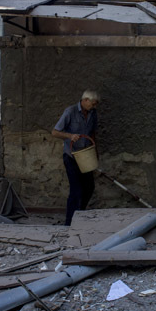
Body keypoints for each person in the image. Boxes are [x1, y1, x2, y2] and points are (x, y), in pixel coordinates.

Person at [52, 89, 100, 226]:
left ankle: (80, 214)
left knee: (89, 187)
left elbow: (93, 133)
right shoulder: (70, 112)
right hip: (71, 156)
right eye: (93, 104)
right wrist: (70, 136)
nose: (94, 106)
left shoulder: (93, 113)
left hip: (86, 156)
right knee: (76, 190)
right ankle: (69, 223)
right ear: (85, 100)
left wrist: (95, 150)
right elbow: (55, 132)